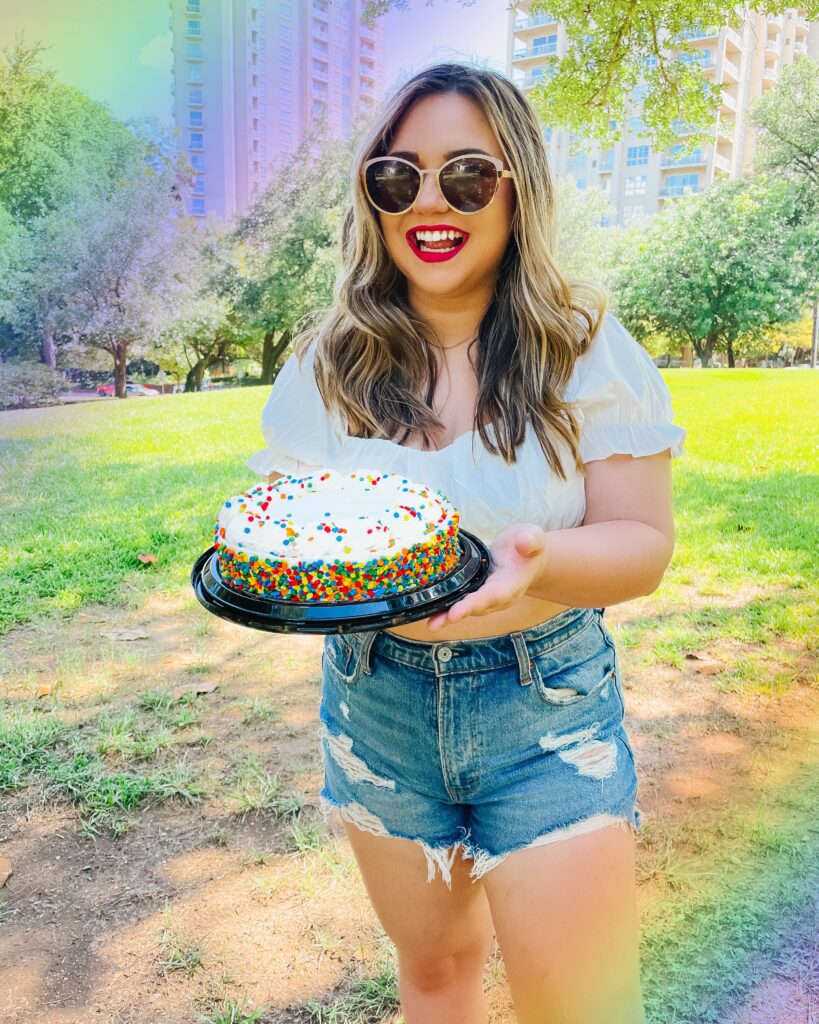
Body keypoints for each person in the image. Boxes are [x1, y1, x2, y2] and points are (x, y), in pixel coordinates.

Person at [247, 63, 686, 1024]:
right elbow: (288, 524)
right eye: (397, 178)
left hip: (546, 710)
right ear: (373, 198)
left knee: (581, 1005)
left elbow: (643, 543)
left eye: (467, 176)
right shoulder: (332, 359)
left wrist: (541, 561)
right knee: (437, 971)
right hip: (378, 705)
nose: (429, 203)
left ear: (516, 188)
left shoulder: (581, 342)